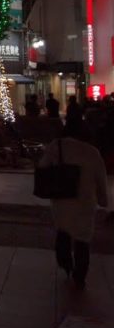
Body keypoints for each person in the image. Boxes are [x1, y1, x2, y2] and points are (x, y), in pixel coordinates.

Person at [37, 121, 109, 289]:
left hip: (62, 197)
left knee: (63, 229)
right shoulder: (92, 152)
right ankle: (80, 274)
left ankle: (65, 263)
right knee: (83, 238)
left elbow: (42, 166)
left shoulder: (57, 146)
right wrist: (103, 200)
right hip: (85, 200)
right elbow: (100, 178)